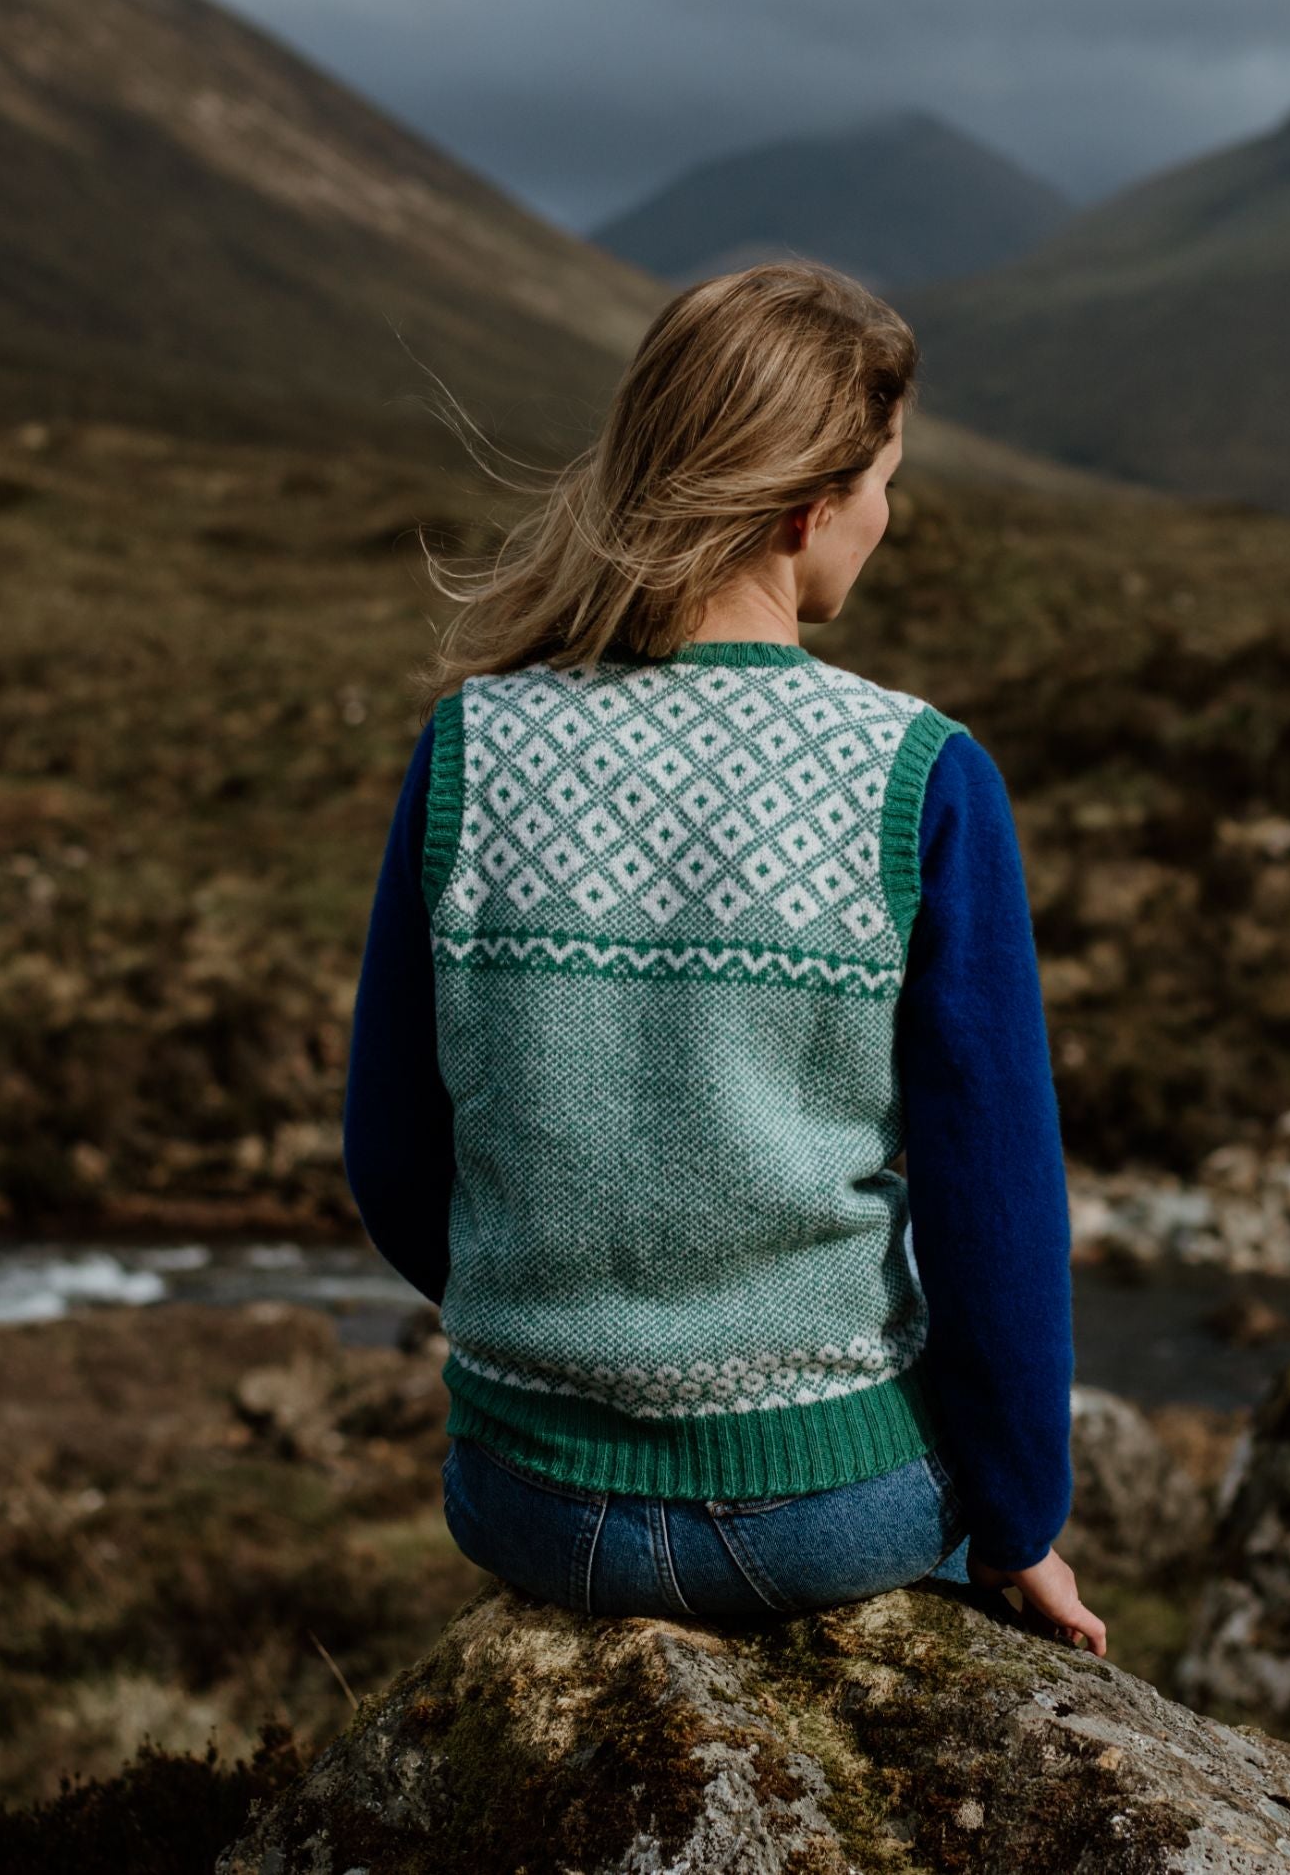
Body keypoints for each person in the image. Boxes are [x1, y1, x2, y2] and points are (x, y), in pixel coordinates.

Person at [343, 259, 1104, 1655]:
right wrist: (1018, 1523)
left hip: (524, 1494)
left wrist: (559, 1337)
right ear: (806, 504)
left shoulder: (473, 746)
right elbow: (995, 1207)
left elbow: (391, 1152)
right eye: (882, 477)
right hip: (826, 1507)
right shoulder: (921, 776)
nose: (889, 512)